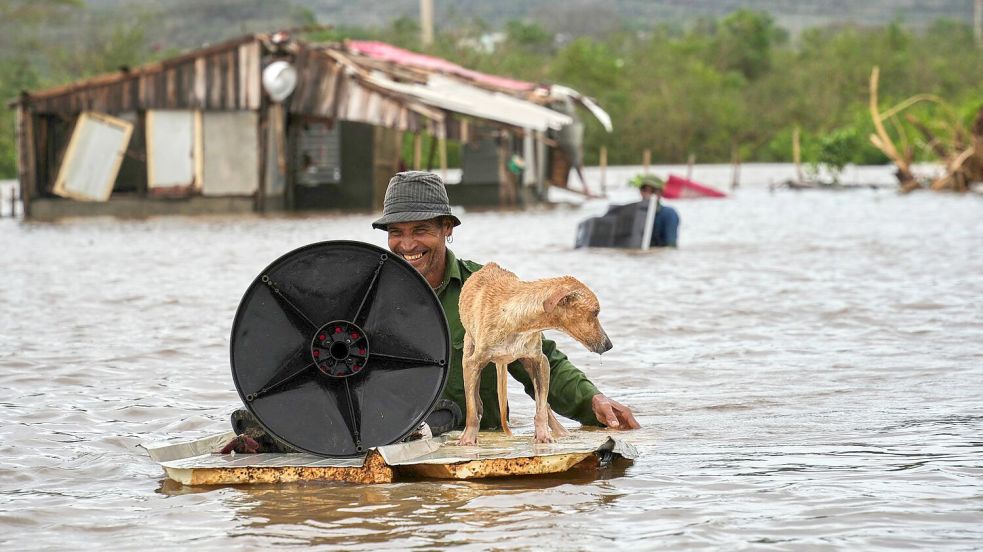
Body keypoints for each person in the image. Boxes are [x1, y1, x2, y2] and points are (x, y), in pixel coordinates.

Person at [373, 171, 639, 433]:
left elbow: (541, 358)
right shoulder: (370, 297)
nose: (407, 245)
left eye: (420, 230)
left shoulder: (489, 290)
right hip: (399, 440)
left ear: (447, 227)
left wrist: (592, 400)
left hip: (479, 445)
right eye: (396, 232)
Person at [627, 174, 680, 248]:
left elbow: (671, 246)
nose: (647, 194)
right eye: (644, 190)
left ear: (660, 193)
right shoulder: (633, 213)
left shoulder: (668, 214)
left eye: (652, 191)